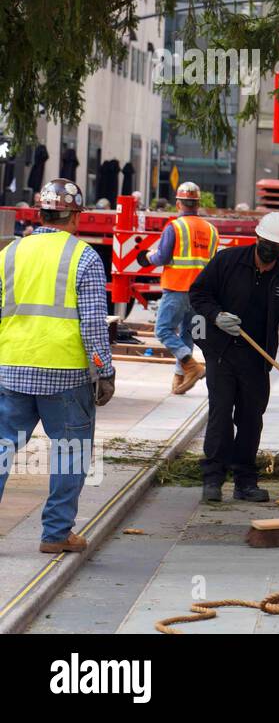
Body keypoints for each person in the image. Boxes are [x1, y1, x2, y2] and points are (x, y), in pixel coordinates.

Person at [0, 180, 115, 554]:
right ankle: (56, 534)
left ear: (39, 212)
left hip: (11, 367)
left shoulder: (10, 253)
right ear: (76, 216)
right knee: (70, 451)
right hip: (64, 374)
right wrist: (105, 371)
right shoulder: (84, 257)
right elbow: (95, 326)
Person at [188, 211, 279, 503]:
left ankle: (245, 481)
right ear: (257, 238)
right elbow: (199, 293)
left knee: (251, 418)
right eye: (267, 244)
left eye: (277, 248)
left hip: (257, 358)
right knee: (220, 413)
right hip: (221, 353)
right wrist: (216, 317)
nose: (270, 252)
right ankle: (213, 478)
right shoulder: (228, 262)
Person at [147, 181, 216, 395]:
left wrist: (149, 257)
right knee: (188, 333)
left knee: (163, 330)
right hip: (201, 293)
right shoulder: (211, 230)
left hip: (178, 287)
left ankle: (191, 365)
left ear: (178, 204)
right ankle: (181, 376)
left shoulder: (175, 227)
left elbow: (163, 257)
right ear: (197, 204)